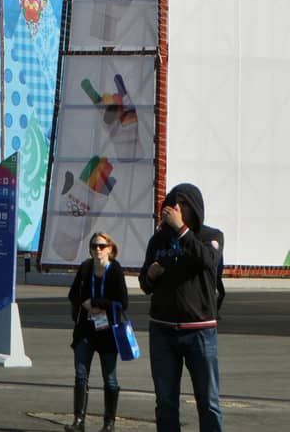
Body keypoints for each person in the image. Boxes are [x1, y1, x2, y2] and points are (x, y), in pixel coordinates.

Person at [139, 182, 222, 432]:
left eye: (183, 203)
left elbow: (208, 261)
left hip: (200, 331)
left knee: (208, 402)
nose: (176, 208)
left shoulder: (211, 236)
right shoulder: (158, 240)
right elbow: (144, 284)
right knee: (165, 402)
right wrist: (151, 274)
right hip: (163, 331)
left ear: (194, 207)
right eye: (172, 202)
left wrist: (182, 229)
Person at [66, 231, 129, 432]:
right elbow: (73, 293)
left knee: (109, 378)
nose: (97, 250)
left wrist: (98, 303)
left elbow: (123, 302)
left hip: (108, 331)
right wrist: (85, 304)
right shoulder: (85, 268)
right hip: (86, 329)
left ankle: (108, 423)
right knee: (81, 374)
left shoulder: (116, 270)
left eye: (101, 246)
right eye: (94, 246)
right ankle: (78, 421)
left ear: (110, 249)